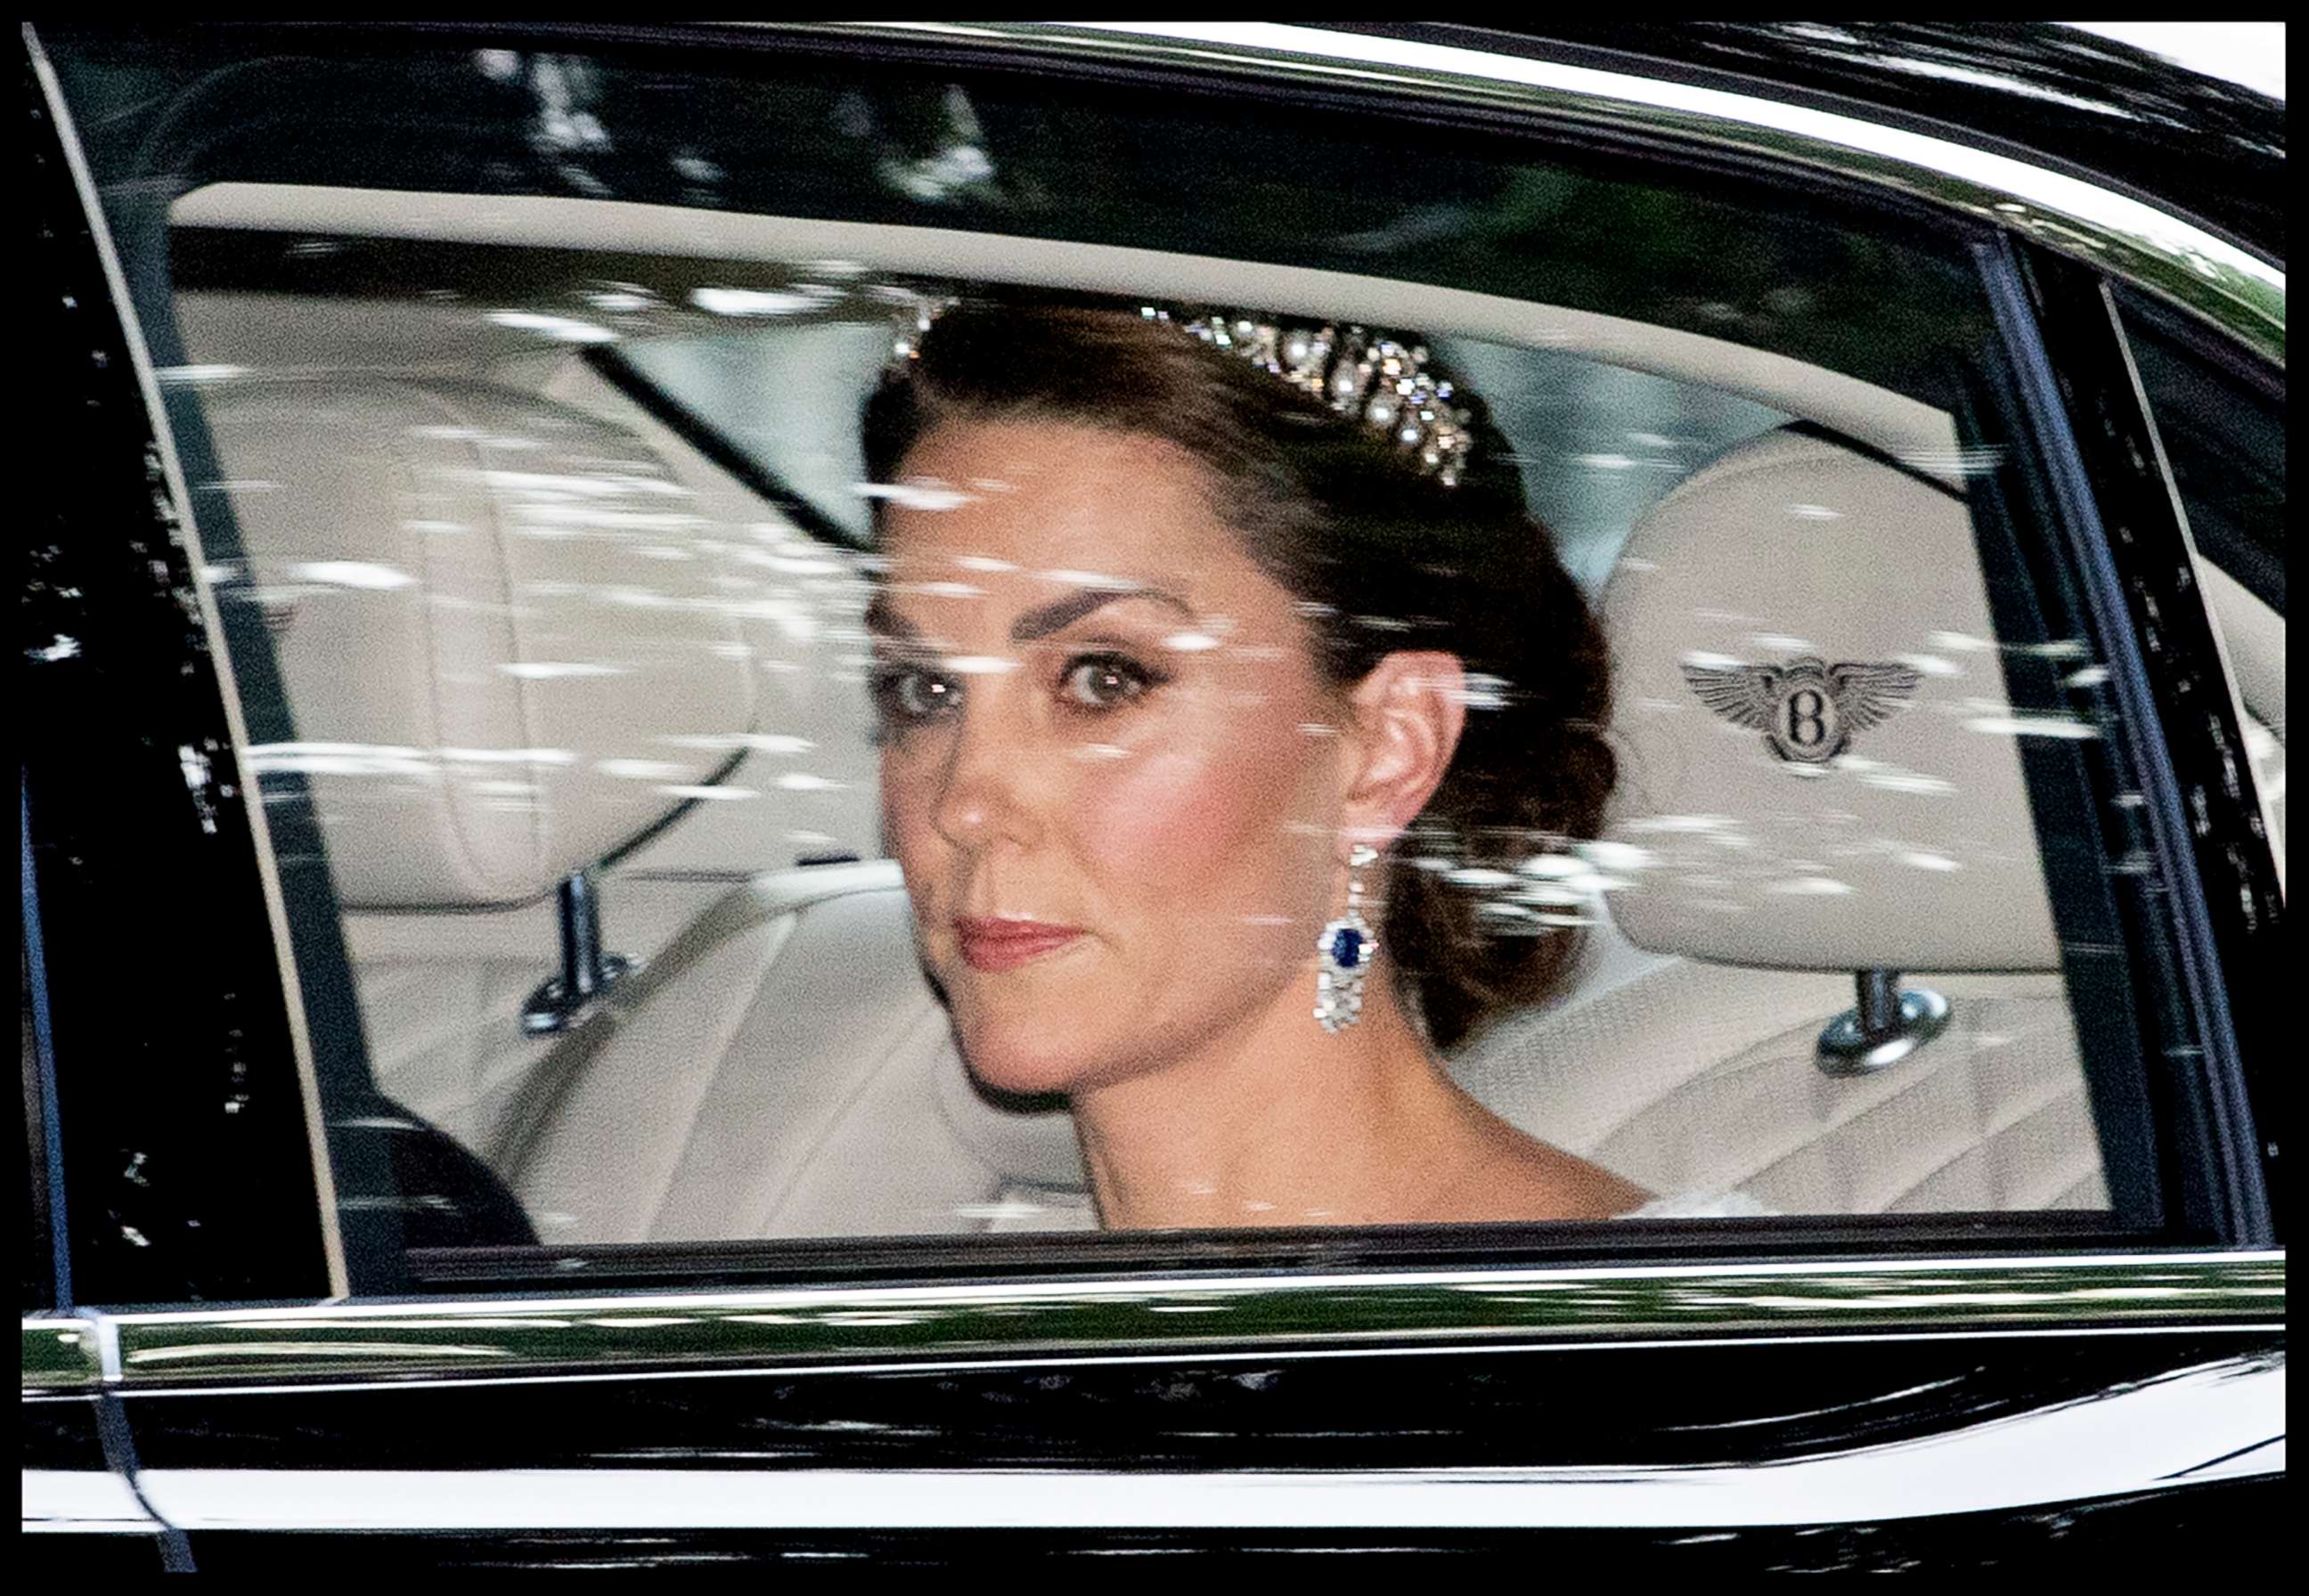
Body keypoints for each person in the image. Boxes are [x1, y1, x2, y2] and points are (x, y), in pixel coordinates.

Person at [860, 298, 1710, 1229]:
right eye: (922, 690)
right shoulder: (928, 1327)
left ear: (1388, 749)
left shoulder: (1671, 1352)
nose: (967, 804)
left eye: (1103, 679)